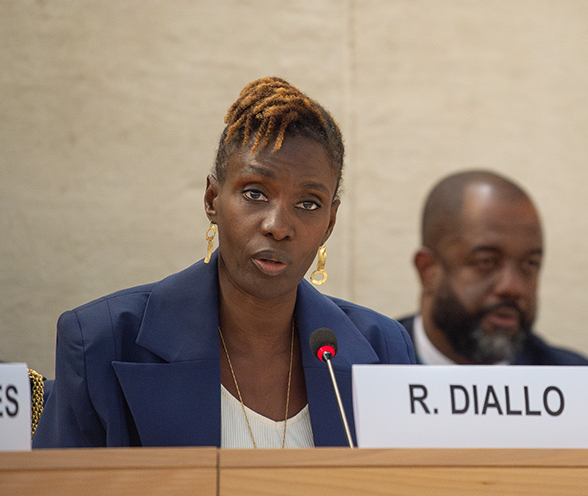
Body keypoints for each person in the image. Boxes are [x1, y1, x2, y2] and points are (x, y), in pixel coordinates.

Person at [33, 77, 415, 448]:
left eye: (308, 204)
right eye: (255, 193)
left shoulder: (382, 351)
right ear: (212, 200)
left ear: (329, 223)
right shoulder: (104, 341)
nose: (278, 226)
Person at [397, 170, 588, 366]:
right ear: (428, 270)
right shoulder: (373, 367)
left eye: (530, 264)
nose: (512, 288)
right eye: (486, 261)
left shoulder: (573, 384)